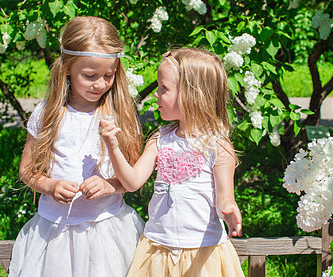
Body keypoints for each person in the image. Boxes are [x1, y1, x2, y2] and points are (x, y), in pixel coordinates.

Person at [9, 16, 145, 277]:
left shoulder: (120, 115)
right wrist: (49, 186)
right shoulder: (48, 114)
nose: (100, 84)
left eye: (108, 75)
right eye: (90, 75)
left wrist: (108, 185)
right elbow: (27, 170)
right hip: (55, 232)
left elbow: (133, 177)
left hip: (107, 230)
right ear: (68, 68)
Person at [99, 48, 244, 276]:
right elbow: (132, 182)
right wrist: (113, 146)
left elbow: (225, 197)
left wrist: (228, 209)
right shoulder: (160, 139)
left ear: (191, 94)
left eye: (163, 88)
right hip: (158, 249)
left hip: (203, 251)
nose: (156, 94)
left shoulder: (217, 145)